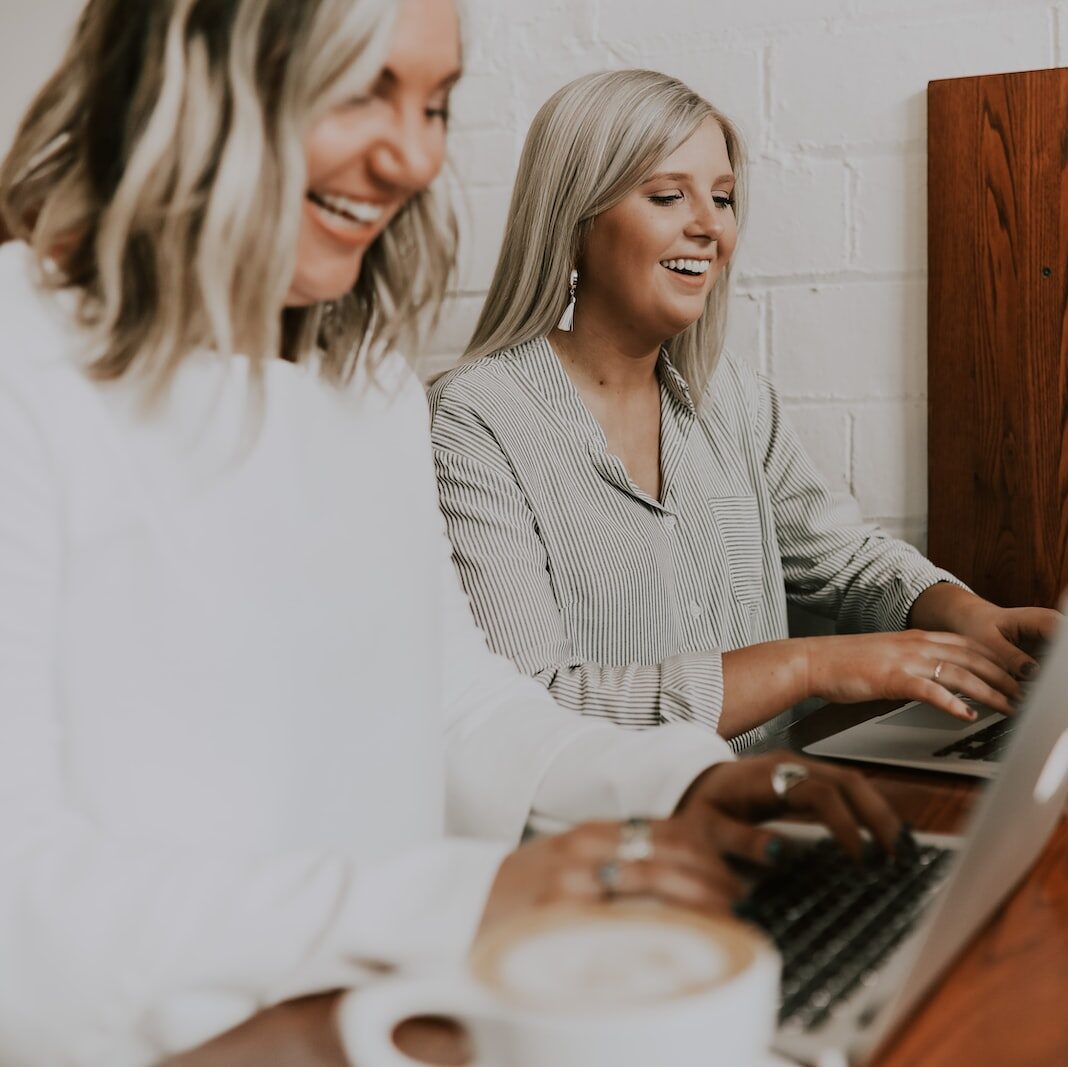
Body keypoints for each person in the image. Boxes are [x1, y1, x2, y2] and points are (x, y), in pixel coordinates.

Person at [0, 7, 904, 1066]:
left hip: (395, 1024)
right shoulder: (27, 368)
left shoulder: (365, 377)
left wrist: (672, 782)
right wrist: (463, 898)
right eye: (359, 90)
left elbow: (457, 700)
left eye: (434, 103)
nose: (414, 154)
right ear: (193, 71)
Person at [428, 69, 1061, 752]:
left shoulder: (731, 398)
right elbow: (535, 703)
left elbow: (842, 558)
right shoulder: (474, 419)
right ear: (576, 221)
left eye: (723, 198)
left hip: (780, 804)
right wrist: (811, 665)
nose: (710, 226)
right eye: (668, 195)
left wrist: (968, 616)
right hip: (620, 840)